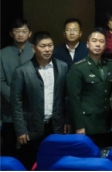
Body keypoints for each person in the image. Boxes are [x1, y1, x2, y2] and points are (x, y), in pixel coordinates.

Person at [11, 31, 70, 170]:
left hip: (56, 126)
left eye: (50, 45)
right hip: (31, 128)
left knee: (56, 164)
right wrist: (20, 129)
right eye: (43, 46)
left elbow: (67, 97)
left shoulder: (62, 67)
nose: (47, 49)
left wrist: (67, 120)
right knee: (30, 163)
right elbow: (16, 103)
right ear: (33, 48)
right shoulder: (22, 71)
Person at [66, 28, 112, 148]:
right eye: (94, 41)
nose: (98, 44)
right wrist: (79, 126)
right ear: (87, 44)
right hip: (87, 124)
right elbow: (74, 99)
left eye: (101, 41)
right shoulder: (78, 68)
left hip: (106, 123)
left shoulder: (110, 66)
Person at [0, 18, 34, 158]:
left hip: (32, 110)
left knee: (30, 152)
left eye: (24, 31)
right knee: (9, 149)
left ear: (30, 33)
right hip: (9, 111)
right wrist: (15, 99)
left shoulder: (36, 50)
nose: (20, 34)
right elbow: (1, 81)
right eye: (17, 31)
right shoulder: (2, 53)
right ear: (11, 33)